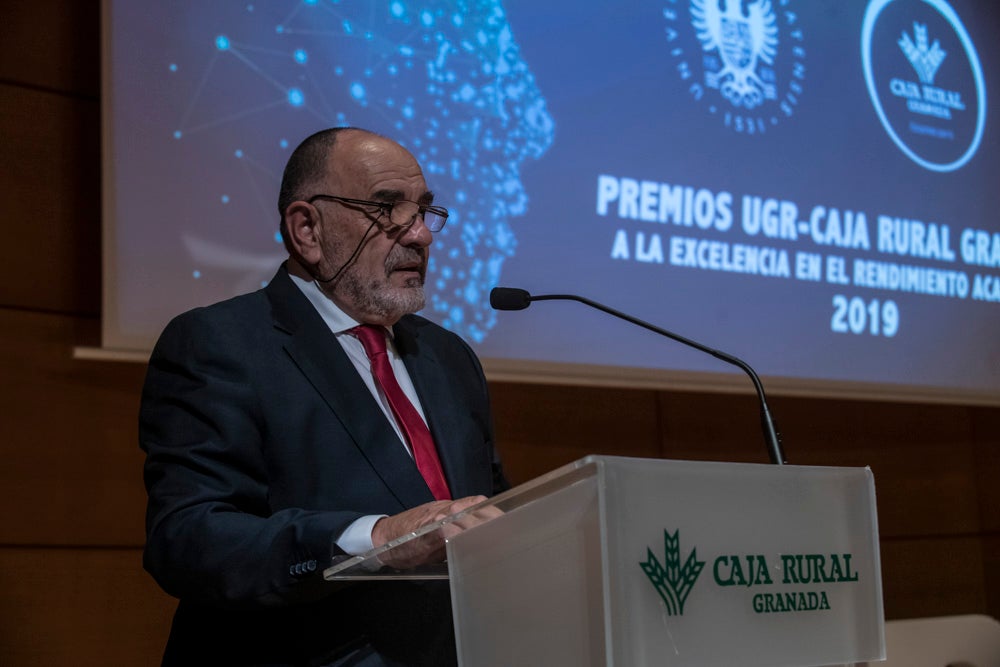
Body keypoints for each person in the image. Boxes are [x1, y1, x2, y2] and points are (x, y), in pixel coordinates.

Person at [140, 127, 509, 666]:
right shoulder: (220, 343)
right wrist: (376, 538)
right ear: (307, 229)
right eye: (386, 209)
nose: (421, 236)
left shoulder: (449, 356)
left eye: (424, 210)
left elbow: (486, 505)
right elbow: (188, 540)